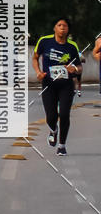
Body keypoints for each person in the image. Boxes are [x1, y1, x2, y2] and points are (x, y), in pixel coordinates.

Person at [33, 18, 82, 156]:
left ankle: (62, 145)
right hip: (48, 84)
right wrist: (38, 72)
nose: (62, 28)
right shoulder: (44, 41)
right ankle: (53, 130)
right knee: (51, 116)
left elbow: (79, 67)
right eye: (59, 25)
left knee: (65, 114)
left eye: (65, 26)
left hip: (66, 85)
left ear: (68, 29)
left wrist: (74, 69)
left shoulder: (72, 46)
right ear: (54, 28)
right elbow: (35, 57)